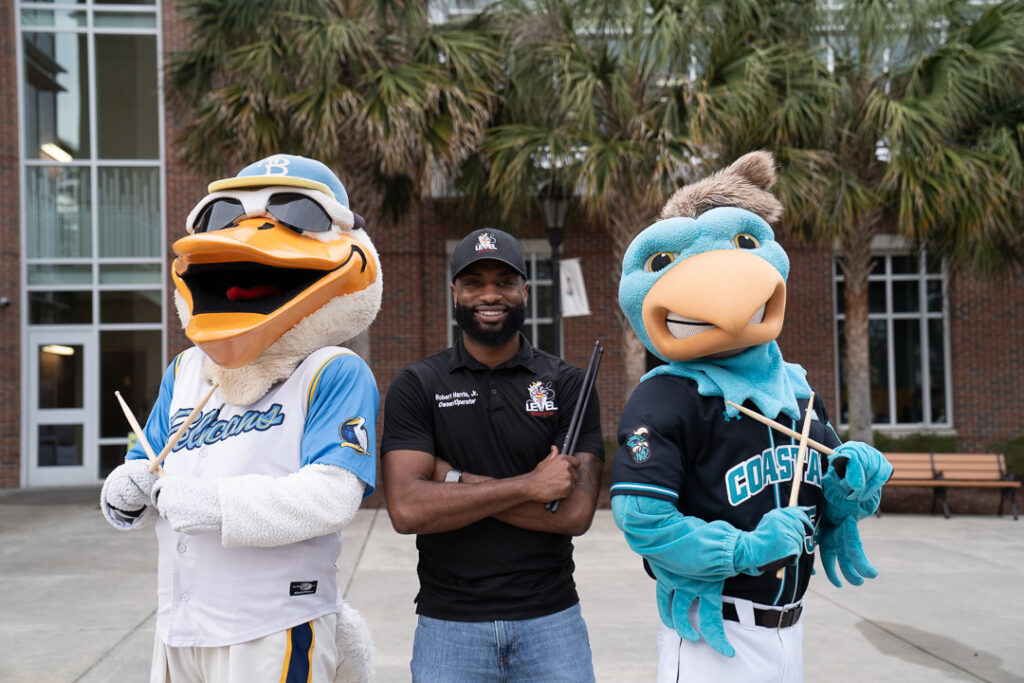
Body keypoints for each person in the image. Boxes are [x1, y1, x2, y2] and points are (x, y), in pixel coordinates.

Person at [610, 151, 891, 682]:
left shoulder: (796, 388)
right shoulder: (667, 396)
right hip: (712, 632)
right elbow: (644, 522)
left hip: (791, 629)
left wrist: (850, 484)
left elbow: (818, 496)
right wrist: (743, 549)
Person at [100, 155, 381, 683]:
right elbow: (146, 461)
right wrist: (125, 489)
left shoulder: (333, 370)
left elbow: (331, 499)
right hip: (180, 624)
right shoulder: (186, 368)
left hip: (275, 620)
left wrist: (201, 504)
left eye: (295, 213)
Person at [381, 228, 604, 682]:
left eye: (504, 281)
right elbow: (406, 510)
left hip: (551, 619)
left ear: (524, 290)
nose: (490, 294)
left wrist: (453, 480)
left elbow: (574, 514)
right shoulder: (418, 384)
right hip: (449, 625)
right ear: (455, 293)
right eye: (474, 283)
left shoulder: (567, 385)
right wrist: (529, 486)